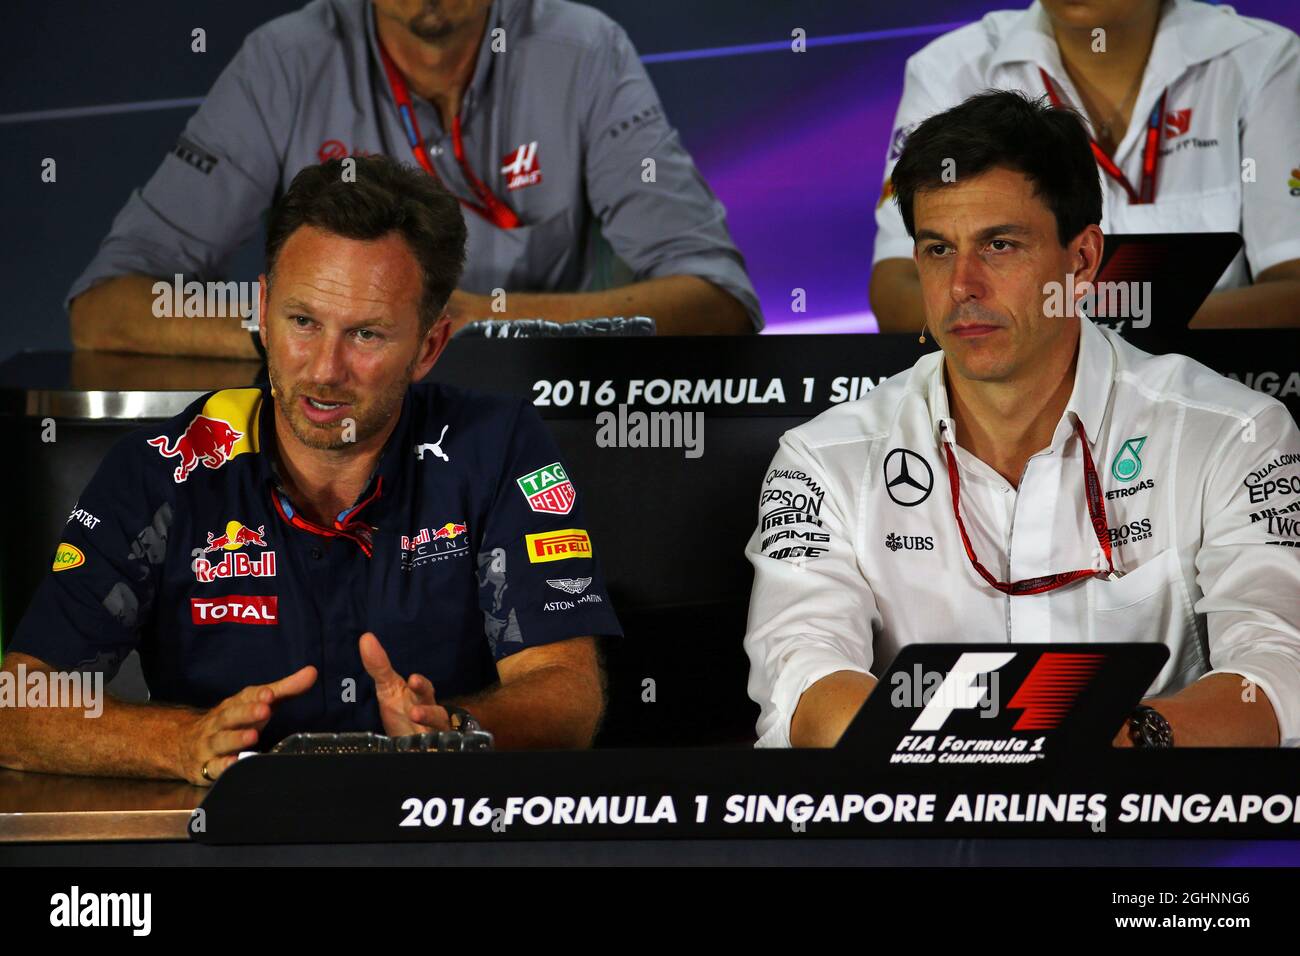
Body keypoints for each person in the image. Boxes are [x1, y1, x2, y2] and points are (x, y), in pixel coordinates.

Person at [0, 154, 622, 785]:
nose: (325, 370)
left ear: (429, 346)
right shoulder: (160, 471)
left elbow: (567, 691)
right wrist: (181, 741)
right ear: (263, 313)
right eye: (302, 322)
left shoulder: (496, 448)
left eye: (367, 335)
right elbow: (18, 705)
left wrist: (457, 734)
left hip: (438, 838)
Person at [745, 91, 1300, 750]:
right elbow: (805, 686)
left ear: (1083, 262)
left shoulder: (1235, 435)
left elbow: (1275, 676)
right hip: (918, 836)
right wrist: (1026, 758)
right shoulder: (822, 459)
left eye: (999, 245)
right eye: (937, 249)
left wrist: (1107, 751)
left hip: (1147, 835)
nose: (962, 286)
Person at [68, 0, 760, 357]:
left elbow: (716, 301)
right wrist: (322, 328)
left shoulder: (585, 51)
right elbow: (109, 306)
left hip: (537, 444)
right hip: (334, 451)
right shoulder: (284, 59)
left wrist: (476, 324)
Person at [869, 0, 1300, 332]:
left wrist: (1058, 326)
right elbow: (896, 293)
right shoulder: (949, 70)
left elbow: (1291, 290)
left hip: (1220, 388)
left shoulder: (1263, 62)